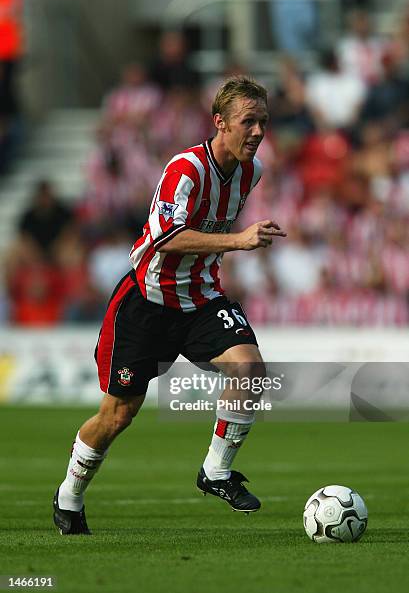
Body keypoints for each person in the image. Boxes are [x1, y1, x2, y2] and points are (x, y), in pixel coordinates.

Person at [52, 76, 287, 535]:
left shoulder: (250, 171)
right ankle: (69, 495)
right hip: (148, 303)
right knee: (118, 414)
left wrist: (228, 249)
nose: (258, 132)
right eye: (248, 122)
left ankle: (216, 472)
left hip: (201, 299)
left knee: (251, 371)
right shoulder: (186, 169)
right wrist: (238, 241)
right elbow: (167, 237)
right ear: (220, 123)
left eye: (262, 122)